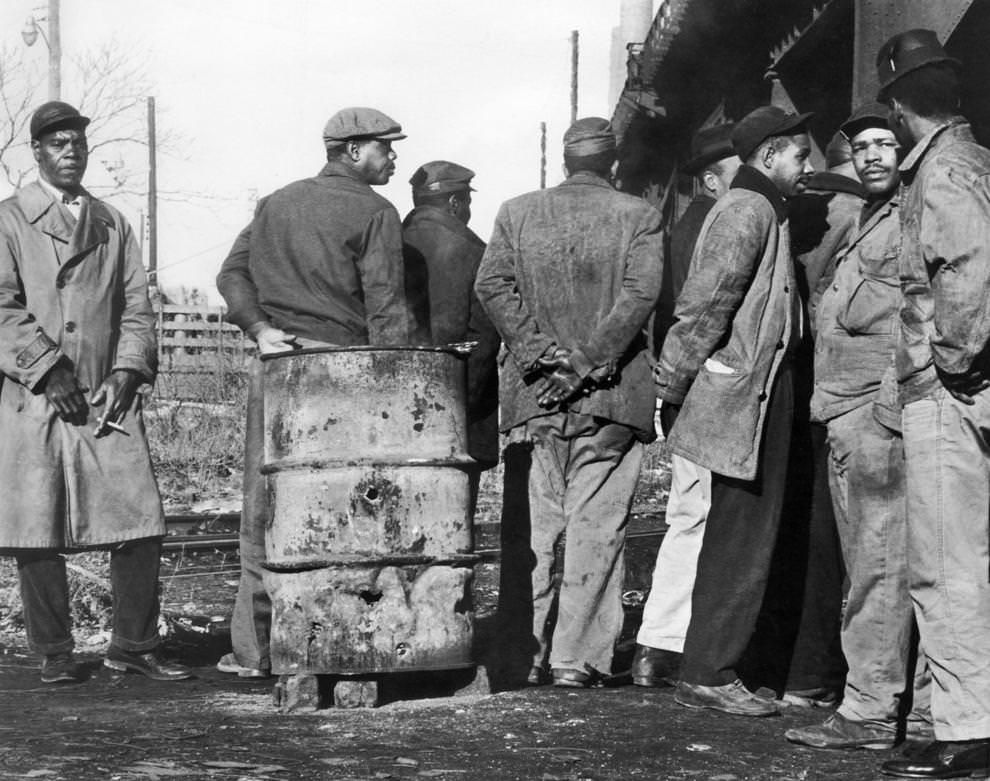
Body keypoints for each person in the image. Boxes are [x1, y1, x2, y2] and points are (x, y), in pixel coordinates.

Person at [215, 107, 415, 678]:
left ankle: (255, 650)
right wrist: (393, 393)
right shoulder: (376, 210)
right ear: (354, 151)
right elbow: (387, 308)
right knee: (342, 507)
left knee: (265, 502)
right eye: (386, 148)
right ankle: (331, 640)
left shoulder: (275, 202)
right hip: (343, 378)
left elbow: (232, 273)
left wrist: (259, 328)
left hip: (277, 369)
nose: (393, 157)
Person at [0, 101, 191, 684]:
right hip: (35, 397)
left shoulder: (111, 221)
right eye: (57, 143)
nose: (70, 151)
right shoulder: (9, 220)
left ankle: (133, 644)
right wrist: (47, 369)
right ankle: (55, 654)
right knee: (38, 531)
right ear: (36, 152)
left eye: (78, 142)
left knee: (141, 521)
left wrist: (127, 372)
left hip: (107, 400)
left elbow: (137, 305)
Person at [476, 117, 662, 688]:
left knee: (532, 533)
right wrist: (583, 364)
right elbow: (640, 296)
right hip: (609, 401)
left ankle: (521, 654)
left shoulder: (516, 211)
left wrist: (541, 357)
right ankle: (575, 661)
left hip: (534, 400)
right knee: (596, 530)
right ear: (612, 164)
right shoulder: (641, 215)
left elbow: (492, 287)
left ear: (564, 162)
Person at [654, 105, 813, 716]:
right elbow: (705, 305)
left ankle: (716, 664)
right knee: (739, 531)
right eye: (800, 155)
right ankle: (710, 671)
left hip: (759, 388)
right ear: (768, 155)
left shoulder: (762, 207)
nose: (808, 167)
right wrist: (672, 385)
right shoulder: (748, 209)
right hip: (745, 394)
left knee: (744, 528)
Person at [785, 103, 933, 751]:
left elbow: (922, 316)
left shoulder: (911, 218)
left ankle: (872, 707)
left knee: (878, 563)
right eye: (862, 146)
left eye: (884, 144)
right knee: (881, 562)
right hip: (848, 413)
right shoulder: (871, 218)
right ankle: (908, 708)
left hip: (878, 415)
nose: (873, 155)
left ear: (903, 153)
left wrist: (885, 408)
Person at [869, 30, 990, 779]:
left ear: (900, 104)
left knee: (944, 562)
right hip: (968, 382)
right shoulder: (979, 161)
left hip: (948, 387)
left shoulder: (940, 171)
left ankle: (971, 728)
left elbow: (969, 269)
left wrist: (953, 360)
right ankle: (958, 714)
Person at [633, 123, 739, 688]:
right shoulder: (711, 225)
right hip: (702, 389)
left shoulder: (687, 224)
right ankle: (664, 644)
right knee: (696, 516)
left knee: (689, 514)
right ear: (709, 178)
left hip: (688, 387)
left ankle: (662, 644)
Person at [401, 161, 500, 478]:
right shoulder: (474, 251)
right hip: (460, 416)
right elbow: (483, 342)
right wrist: (455, 405)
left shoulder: (390, 243)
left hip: (395, 409)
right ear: (456, 203)